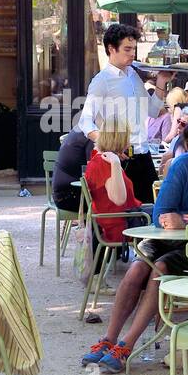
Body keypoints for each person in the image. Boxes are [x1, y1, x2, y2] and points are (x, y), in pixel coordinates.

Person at [81, 128, 188, 374]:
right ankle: (109, 339)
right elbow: (161, 216)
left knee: (160, 269)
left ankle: (127, 346)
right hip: (169, 239)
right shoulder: (183, 166)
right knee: (137, 268)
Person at [78, 23, 158, 203]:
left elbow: (152, 110)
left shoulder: (134, 75)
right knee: (124, 218)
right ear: (111, 49)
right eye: (127, 49)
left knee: (151, 213)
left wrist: (161, 81)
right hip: (118, 159)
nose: (132, 54)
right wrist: (111, 145)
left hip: (143, 153)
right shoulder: (102, 80)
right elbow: (85, 122)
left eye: (134, 49)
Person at [83, 118, 143, 247]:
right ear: (120, 139)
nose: (129, 141)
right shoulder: (107, 164)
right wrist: (116, 163)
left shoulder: (99, 159)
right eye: (127, 136)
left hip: (119, 220)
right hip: (121, 225)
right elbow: (119, 199)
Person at [52, 126, 92, 213]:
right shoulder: (90, 135)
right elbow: (93, 171)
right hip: (69, 198)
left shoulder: (80, 128)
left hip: (60, 195)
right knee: (111, 200)